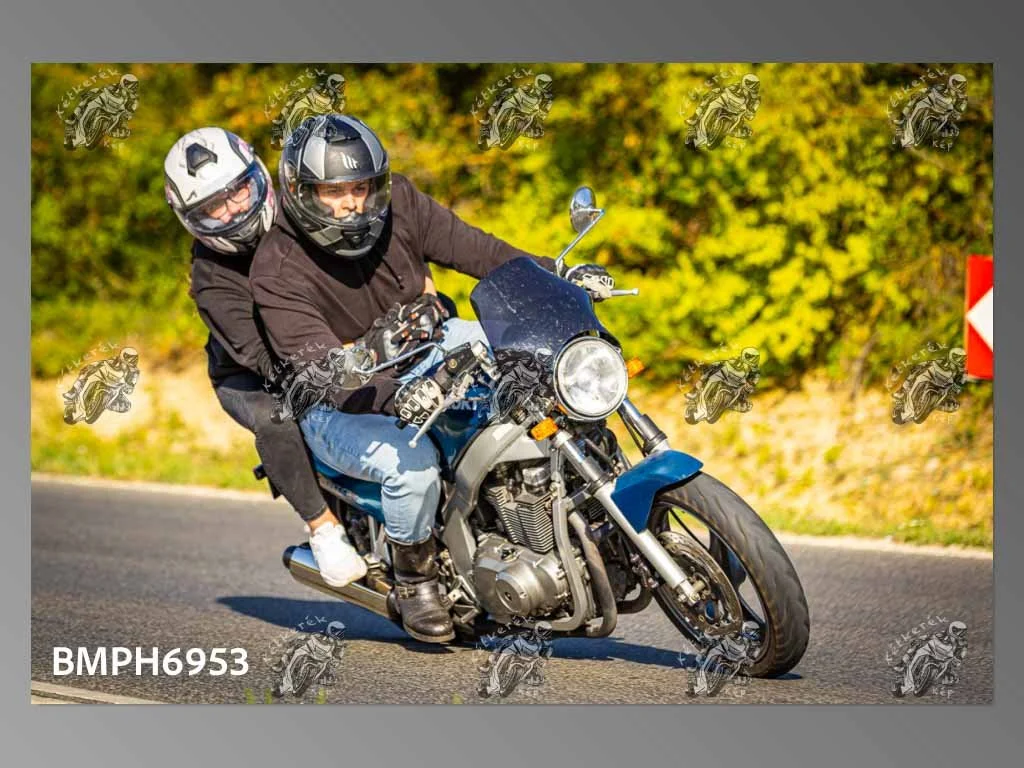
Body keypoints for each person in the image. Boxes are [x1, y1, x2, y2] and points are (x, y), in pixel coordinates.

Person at [251, 113, 613, 643]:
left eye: (361, 187)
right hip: (338, 398)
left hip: (426, 349)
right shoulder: (277, 267)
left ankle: (567, 502)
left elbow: (481, 252)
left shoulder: (401, 203)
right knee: (413, 468)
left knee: (532, 359)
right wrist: (398, 394)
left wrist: (557, 276)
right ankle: (415, 580)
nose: (353, 203)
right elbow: (322, 371)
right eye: (334, 192)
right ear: (302, 192)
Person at [163, 126, 367, 589]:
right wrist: (332, 364)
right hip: (250, 373)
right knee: (277, 417)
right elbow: (263, 357)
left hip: (328, 342)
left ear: (259, 176)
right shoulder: (211, 277)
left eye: (239, 190)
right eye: (213, 207)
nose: (234, 209)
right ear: (191, 218)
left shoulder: (301, 217)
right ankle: (323, 529)